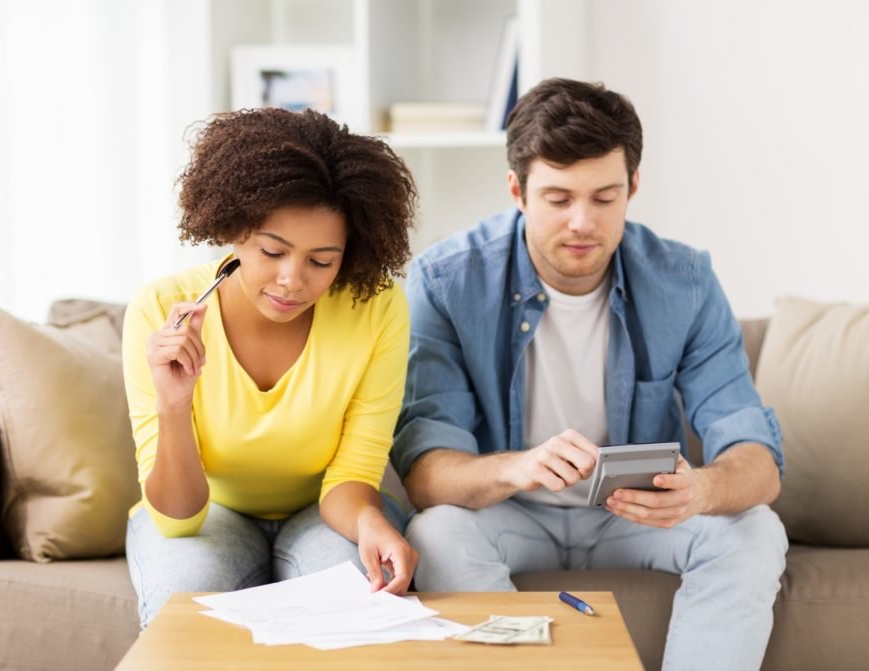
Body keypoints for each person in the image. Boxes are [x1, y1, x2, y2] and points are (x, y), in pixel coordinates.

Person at [392, 78, 787, 670]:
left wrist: (702, 489)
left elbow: (756, 458)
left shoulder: (686, 281)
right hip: (513, 513)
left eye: (604, 198)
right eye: (558, 199)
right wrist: (518, 467)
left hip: (635, 517)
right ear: (517, 191)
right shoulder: (446, 281)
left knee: (754, 530)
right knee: (437, 532)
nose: (582, 222)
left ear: (633, 187)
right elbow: (426, 472)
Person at [122, 108, 419, 628]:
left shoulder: (376, 308)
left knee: (359, 607)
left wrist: (372, 521)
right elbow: (177, 520)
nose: (291, 280)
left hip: (325, 510)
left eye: (321, 262)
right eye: (272, 251)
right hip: (209, 513)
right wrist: (174, 403)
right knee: (181, 610)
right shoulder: (160, 306)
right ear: (235, 229)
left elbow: (351, 476)